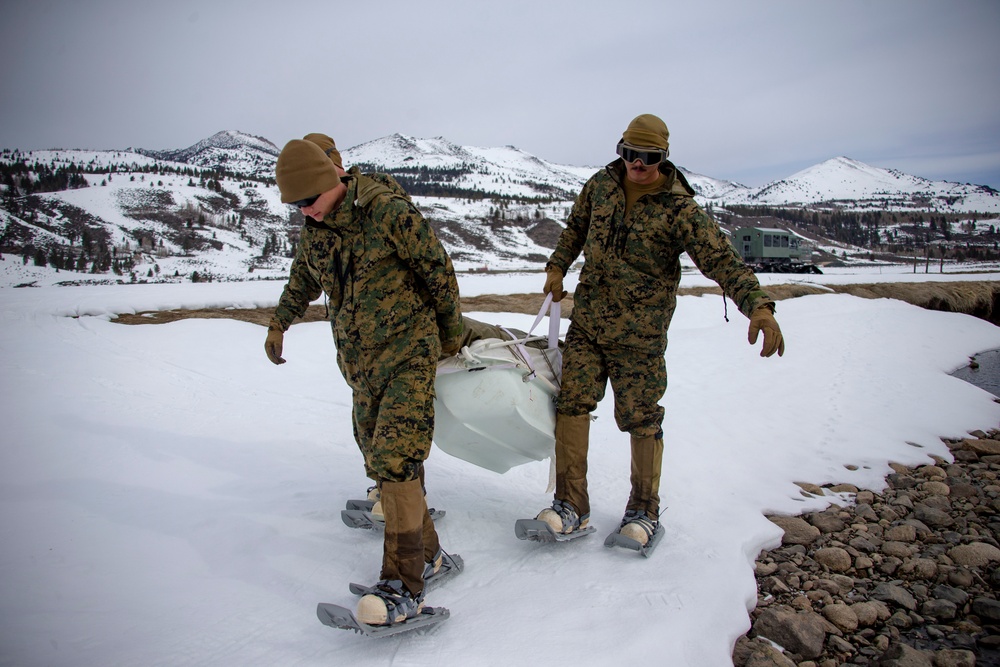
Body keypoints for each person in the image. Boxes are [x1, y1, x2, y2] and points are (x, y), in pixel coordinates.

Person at [535, 114, 785, 547]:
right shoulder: (601, 185)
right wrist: (558, 265)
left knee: (641, 418)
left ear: (663, 158)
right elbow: (576, 227)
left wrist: (758, 307)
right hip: (589, 324)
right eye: (629, 153)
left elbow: (722, 261)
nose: (636, 164)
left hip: (640, 337)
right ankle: (570, 504)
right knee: (572, 406)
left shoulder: (679, 209)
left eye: (647, 157)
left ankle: (643, 510)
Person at [264, 138, 464, 625]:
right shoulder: (318, 230)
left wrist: (451, 333)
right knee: (379, 458)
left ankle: (402, 587)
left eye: (307, 201)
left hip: (408, 352)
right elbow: (303, 280)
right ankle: (432, 557)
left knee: (396, 458)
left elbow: (436, 269)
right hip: (361, 364)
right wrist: (280, 322)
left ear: (330, 182)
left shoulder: (386, 212)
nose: (303, 213)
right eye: (294, 207)